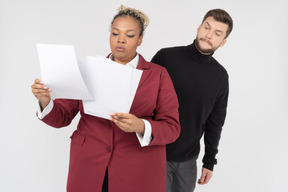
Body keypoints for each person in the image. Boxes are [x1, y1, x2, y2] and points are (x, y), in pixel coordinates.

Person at [31, 5, 180, 192]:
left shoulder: (158, 75)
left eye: (130, 35)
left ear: (140, 39)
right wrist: (45, 100)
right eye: (115, 33)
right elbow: (62, 117)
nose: (121, 40)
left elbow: (172, 128)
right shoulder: (88, 69)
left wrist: (141, 126)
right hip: (89, 165)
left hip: (136, 169)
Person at [151, 9, 233, 192]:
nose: (209, 35)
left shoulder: (220, 77)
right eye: (207, 27)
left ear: (223, 42)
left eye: (217, 33)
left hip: (188, 163)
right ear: (198, 27)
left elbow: (215, 122)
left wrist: (209, 161)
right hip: (155, 153)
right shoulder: (167, 57)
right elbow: (142, 99)